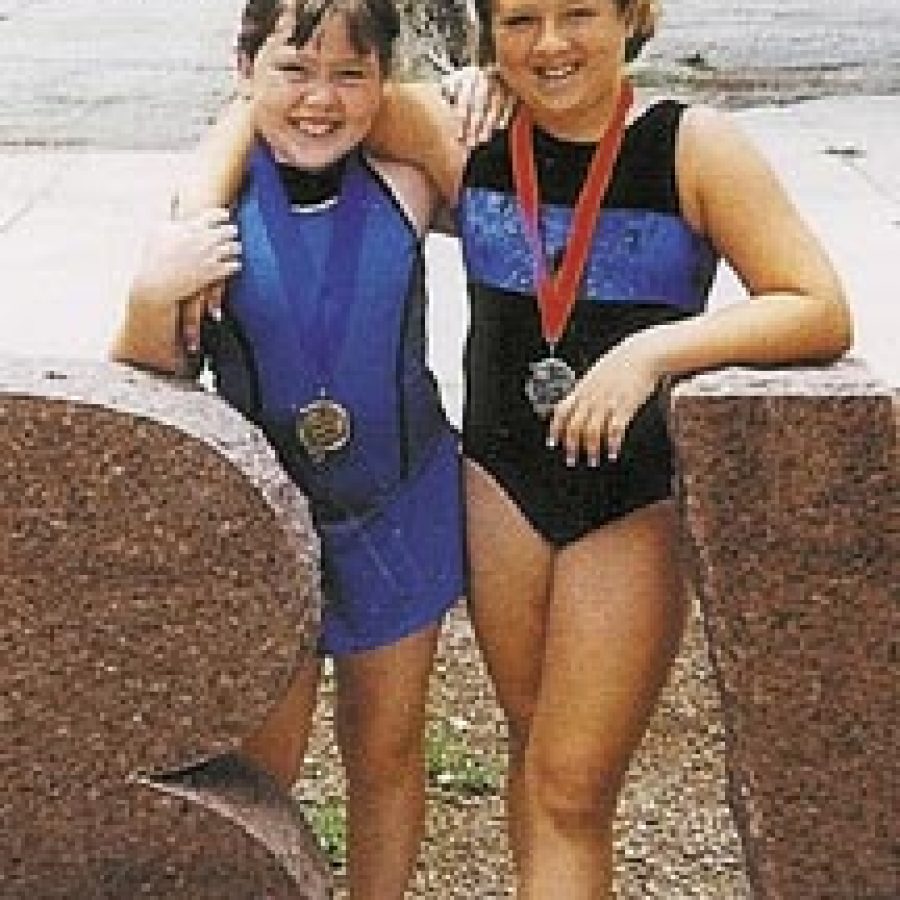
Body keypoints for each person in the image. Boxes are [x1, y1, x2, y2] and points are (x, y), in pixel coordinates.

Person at [171, 1, 855, 896]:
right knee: (533, 754)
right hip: (500, 484)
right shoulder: (468, 129)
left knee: (572, 787)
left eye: (579, 14)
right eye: (521, 19)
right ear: (489, 33)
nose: (551, 43)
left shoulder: (694, 147)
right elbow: (285, 87)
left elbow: (816, 306)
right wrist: (193, 218)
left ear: (634, 17)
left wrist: (651, 353)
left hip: (628, 498)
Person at [112, 2, 467, 898]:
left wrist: (480, 89)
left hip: (401, 511)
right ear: (244, 69)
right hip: (267, 530)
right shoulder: (210, 211)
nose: (320, 100)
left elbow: (519, 195)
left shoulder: (408, 180)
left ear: (384, 84)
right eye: (293, 71)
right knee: (260, 773)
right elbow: (151, 379)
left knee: (385, 752)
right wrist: (148, 300)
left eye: (351, 75)